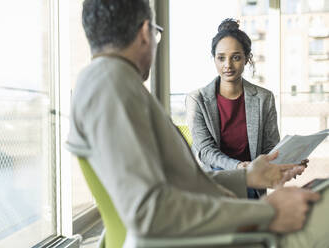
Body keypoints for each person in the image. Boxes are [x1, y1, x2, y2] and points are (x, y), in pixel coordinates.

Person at [66, 0, 327, 247]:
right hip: (206, 237)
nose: (228, 65)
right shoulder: (112, 86)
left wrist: (247, 176)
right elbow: (149, 211)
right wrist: (266, 212)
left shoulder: (111, 83)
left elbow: (175, 182)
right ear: (146, 32)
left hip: (214, 220)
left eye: (236, 57)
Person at [186, 19, 279, 199]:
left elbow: (270, 146)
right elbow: (205, 151)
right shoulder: (197, 100)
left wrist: (289, 160)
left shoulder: (264, 98)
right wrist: (239, 168)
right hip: (214, 183)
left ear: (247, 58)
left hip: (253, 182)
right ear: (214, 58)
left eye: (235, 57)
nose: (227, 65)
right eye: (221, 58)